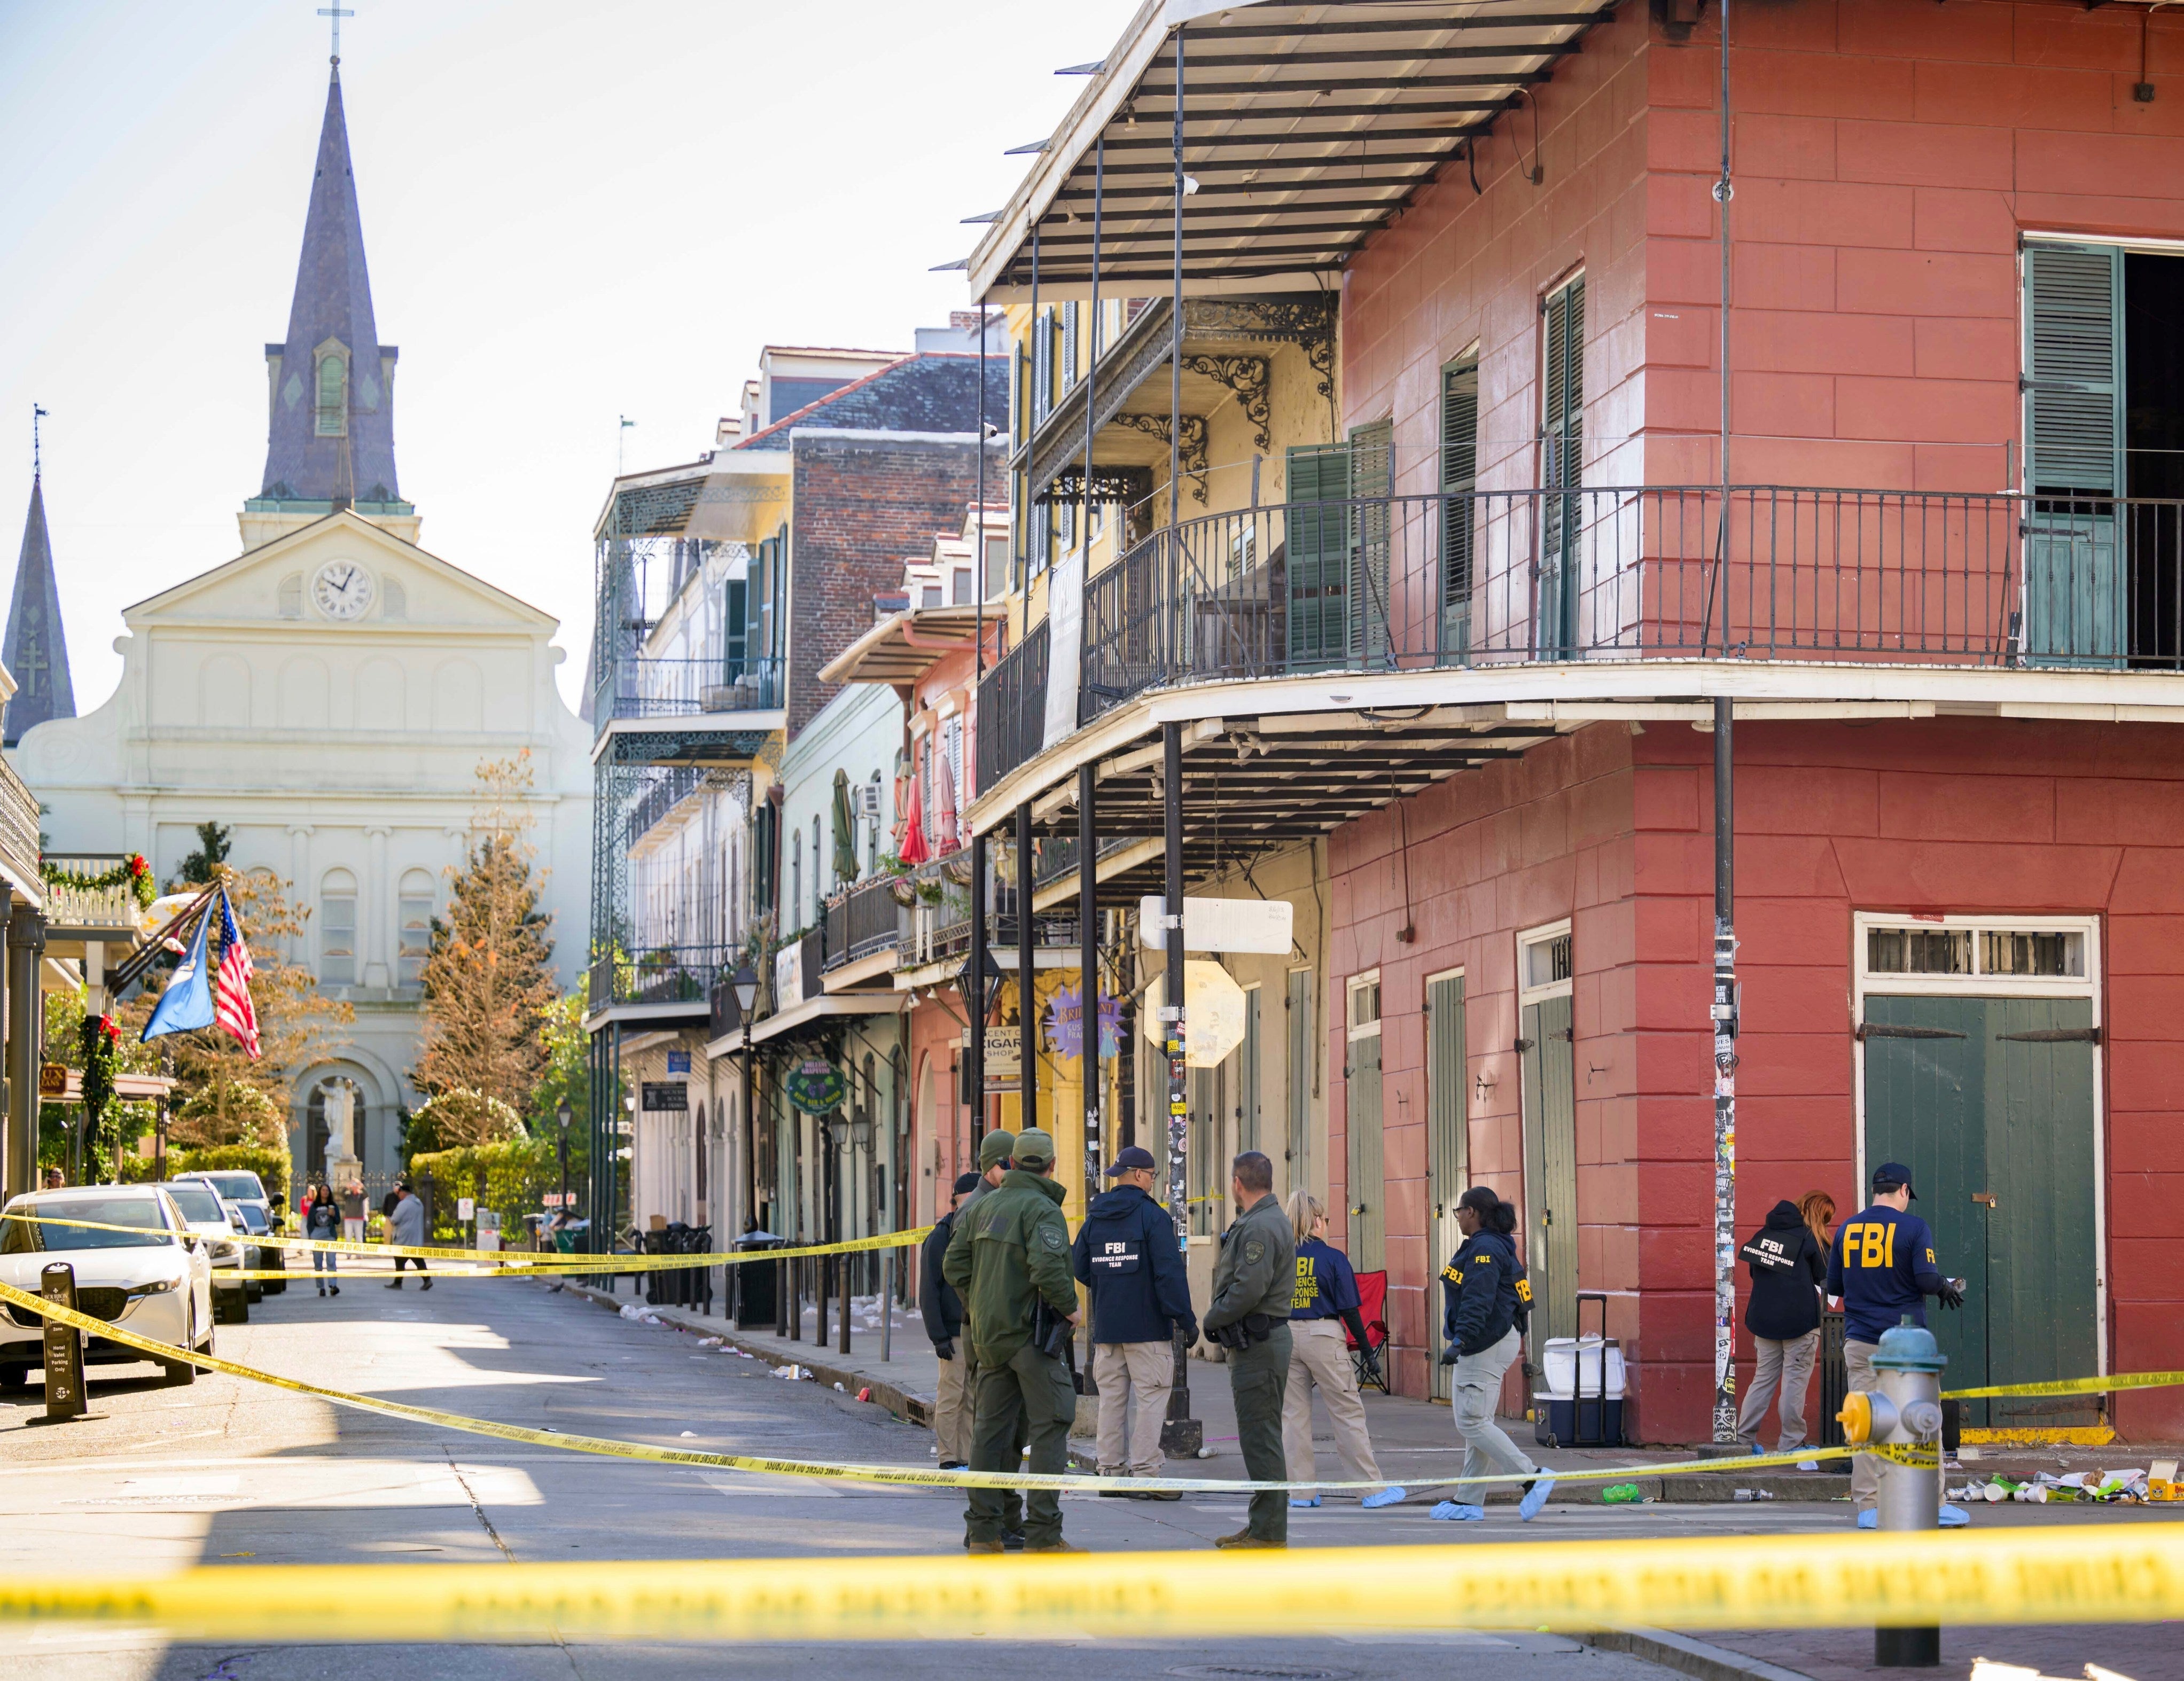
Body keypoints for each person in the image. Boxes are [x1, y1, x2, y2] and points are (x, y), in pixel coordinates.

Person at [942, 1127, 1083, 1555]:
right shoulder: (1041, 1208)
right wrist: (1071, 1308)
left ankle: (984, 1532)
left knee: (988, 1432)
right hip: (1030, 1336)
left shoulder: (981, 1207)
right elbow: (1047, 1268)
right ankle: (1043, 1532)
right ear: (1051, 1166)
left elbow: (954, 1265)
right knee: (1051, 1424)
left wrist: (984, 1302)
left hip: (989, 1339)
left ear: (1014, 1163)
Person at [1826, 1162, 1962, 1525]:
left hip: (1861, 1341)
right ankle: (1932, 1505)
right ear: (1904, 1189)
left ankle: (1870, 1506)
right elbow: (1926, 1278)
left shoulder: (1847, 1228)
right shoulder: (1915, 1227)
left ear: (1875, 1190)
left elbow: (1835, 1287)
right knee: (1923, 1422)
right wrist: (1943, 1286)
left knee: (1868, 1423)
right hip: (1908, 1349)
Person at [1071, 1144, 1195, 1496]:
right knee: (1153, 1397)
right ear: (1139, 1175)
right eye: (1153, 1176)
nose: (1153, 1182)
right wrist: (1186, 1320)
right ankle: (1145, 1473)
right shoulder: (1152, 1217)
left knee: (1111, 1399)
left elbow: (1079, 1265)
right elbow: (1169, 1275)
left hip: (1107, 1328)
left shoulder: (1096, 1216)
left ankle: (1110, 1471)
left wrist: (1108, 1284)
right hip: (1147, 1329)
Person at [1434, 1186, 1553, 1522]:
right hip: (1494, 1339)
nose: (1457, 1217)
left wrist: (1461, 1340)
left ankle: (1532, 1477)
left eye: (1459, 1211)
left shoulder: (1485, 1247)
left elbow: (1478, 1299)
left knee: (1471, 1420)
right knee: (1478, 1422)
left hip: (1483, 1342)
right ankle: (1468, 1500)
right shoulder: (1493, 1245)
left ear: (1472, 1212)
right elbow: (1520, 1292)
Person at [1281, 1192, 1405, 1510]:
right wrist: (1367, 1353)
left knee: (1293, 1417)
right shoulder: (1334, 1258)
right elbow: (1351, 1311)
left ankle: (1301, 1493)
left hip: (1284, 1335)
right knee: (1347, 1412)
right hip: (1324, 1333)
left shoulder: (1280, 1257)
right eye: (1326, 1219)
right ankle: (1370, 1490)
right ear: (1317, 1222)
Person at [1202, 1150, 1294, 1550]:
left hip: (1259, 1344)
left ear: (1237, 1183)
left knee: (1261, 1437)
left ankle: (1269, 1531)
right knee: (1260, 1434)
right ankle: (1262, 1522)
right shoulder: (1264, 1220)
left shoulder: (1259, 1227)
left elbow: (1248, 1289)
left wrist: (1212, 1318)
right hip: (1258, 1342)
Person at [1735, 1197, 1828, 1454]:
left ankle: (1743, 1441)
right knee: (1794, 1383)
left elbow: (1755, 1275)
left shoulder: (1760, 1237)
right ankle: (1791, 1443)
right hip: (1801, 1323)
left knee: (1762, 1381)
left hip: (1764, 1321)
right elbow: (1825, 1276)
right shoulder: (1808, 1238)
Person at [922, 1170, 980, 1470]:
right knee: (951, 1397)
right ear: (962, 1199)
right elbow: (929, 1290)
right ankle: (948, 1458)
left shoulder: (974, 1227)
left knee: (971, 1397)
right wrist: (939, 1337)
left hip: (972, 1329)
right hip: (953, 1332)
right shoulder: (941, 1235)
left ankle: (967, 1457)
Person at [385, 1180, 430, 1289]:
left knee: (400, 1259)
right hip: (415, 1237)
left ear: (403, 1193)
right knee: (417, 1259)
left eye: (400, 1194)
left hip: (404, 1237)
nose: (399, 1196)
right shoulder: (418, 1203)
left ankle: (398, 1283)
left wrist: (390, 1220)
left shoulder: (404, 1204)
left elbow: (395, 1219)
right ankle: (426, 1280)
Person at [305, 1182, 342, 1297]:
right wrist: (312, 1234)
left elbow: (338, 1221)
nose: (325, 1192)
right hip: (317, 1234)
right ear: (320, 1192)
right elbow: (309, 1222)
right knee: (318, 1263)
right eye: (323, 1190)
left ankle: (333, 1286)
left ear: (329, 1193)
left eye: (327, 1190)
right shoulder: (315, 1206)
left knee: (331, 1260)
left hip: (329, 1234)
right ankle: (321, 1287)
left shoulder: (333, 1205)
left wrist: (333, 1215)